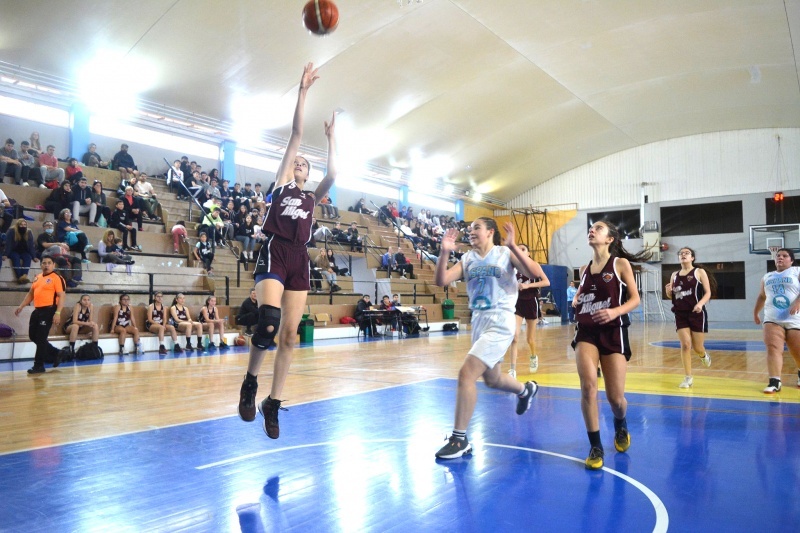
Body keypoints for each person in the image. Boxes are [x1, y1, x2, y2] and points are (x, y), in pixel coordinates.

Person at [238, 62, 338, 441]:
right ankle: (250, 381)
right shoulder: (281, 185)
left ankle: (272, 402)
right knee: (267, 321)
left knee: (290, 336)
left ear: (308, 174)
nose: (298, 163)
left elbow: (333, 172)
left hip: (300, 258)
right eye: (296, 161)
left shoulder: (312, 196)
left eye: (303, 164)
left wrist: (331, 138)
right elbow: (296, 133)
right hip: (275, 250)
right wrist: (303, 91)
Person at [432, 218, 544, 460]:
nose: (471, 232)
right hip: (479, 321)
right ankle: (526, 390)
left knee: (466, 374)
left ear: (490, 232)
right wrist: (443, 253)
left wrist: (514, 246)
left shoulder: (504, 253)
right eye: (470, 229)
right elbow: (441, 281)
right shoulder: (467, 259)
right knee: (492, 380)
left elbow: (534, 273)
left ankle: (459, 438)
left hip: (501, 319)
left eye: (477, 228)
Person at [571, 220, 647, 470]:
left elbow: (635, 299)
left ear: (610, 239)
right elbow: (585, 294)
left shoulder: (620, 264)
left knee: (616, 399)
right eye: (591, 228)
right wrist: (578, 300)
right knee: (588, 387)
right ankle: (595, 445)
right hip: (587, 331)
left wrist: (615, 312)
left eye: (599, 228)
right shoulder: (583, 269)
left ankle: (620, 423)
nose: (592, 230)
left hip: (614, 331)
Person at [753, 247, 800, 393]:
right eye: (778, 255)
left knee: (796, 350)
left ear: (791, 260)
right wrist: (756, 312)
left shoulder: (797, 272)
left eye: (785, 256)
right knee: (773, 348)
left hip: (794, 318)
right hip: (772, 318)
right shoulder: (767, 277)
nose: (780, 258)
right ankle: (775, 381)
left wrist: (798, 302)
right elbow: (762, 296)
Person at [665, 247, 713, 388]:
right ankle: (688, 377)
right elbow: (672, 296)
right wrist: (668, 292)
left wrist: (700, 304)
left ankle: (703, 355)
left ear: (692, 257)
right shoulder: (674, 275)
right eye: (681, 253)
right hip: (680, 313)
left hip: (697, 313)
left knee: (698, 347)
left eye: (687, 253)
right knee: (686, 345)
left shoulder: (699, 272)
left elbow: (708, 292)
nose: (683, 255)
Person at [15, 255, 67, 374]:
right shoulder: (38, 277)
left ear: (53, 265)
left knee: (41, 338)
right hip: (37, 310)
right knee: (33, 336)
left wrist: (58, 313)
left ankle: (39, 365)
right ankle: (57, 353)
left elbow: (62, 296)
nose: (46, 265)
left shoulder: (57, 278)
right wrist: (21, 306)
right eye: (44, 263)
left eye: (49, 263)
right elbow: (31, 293)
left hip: (49, 310)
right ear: (41, 265)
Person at [507, 243, 550, 378]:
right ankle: (512, 369)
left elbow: (546, 282)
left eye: (523, 249)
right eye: (517, 249)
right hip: (517, 303)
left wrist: (528, 286)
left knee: (530, 339)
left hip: (531, 301)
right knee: (514, 336)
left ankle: (533, 356)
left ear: (529, 253)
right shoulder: (512, 267)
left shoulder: (534, 266)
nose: (520, 251)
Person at [4, 218, 37, 284]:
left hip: (24, 251)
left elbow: (31, 246)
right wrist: (6, 254)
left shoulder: (29, 232)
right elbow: (8, 244)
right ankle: (19, 277)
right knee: (16, 258)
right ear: (17, 225)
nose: (23, 226)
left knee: (28, 257)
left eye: (24, 225)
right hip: (13, 251)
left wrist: (34, 256)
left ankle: (24, 276)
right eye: (21, 225)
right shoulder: (12, 231)